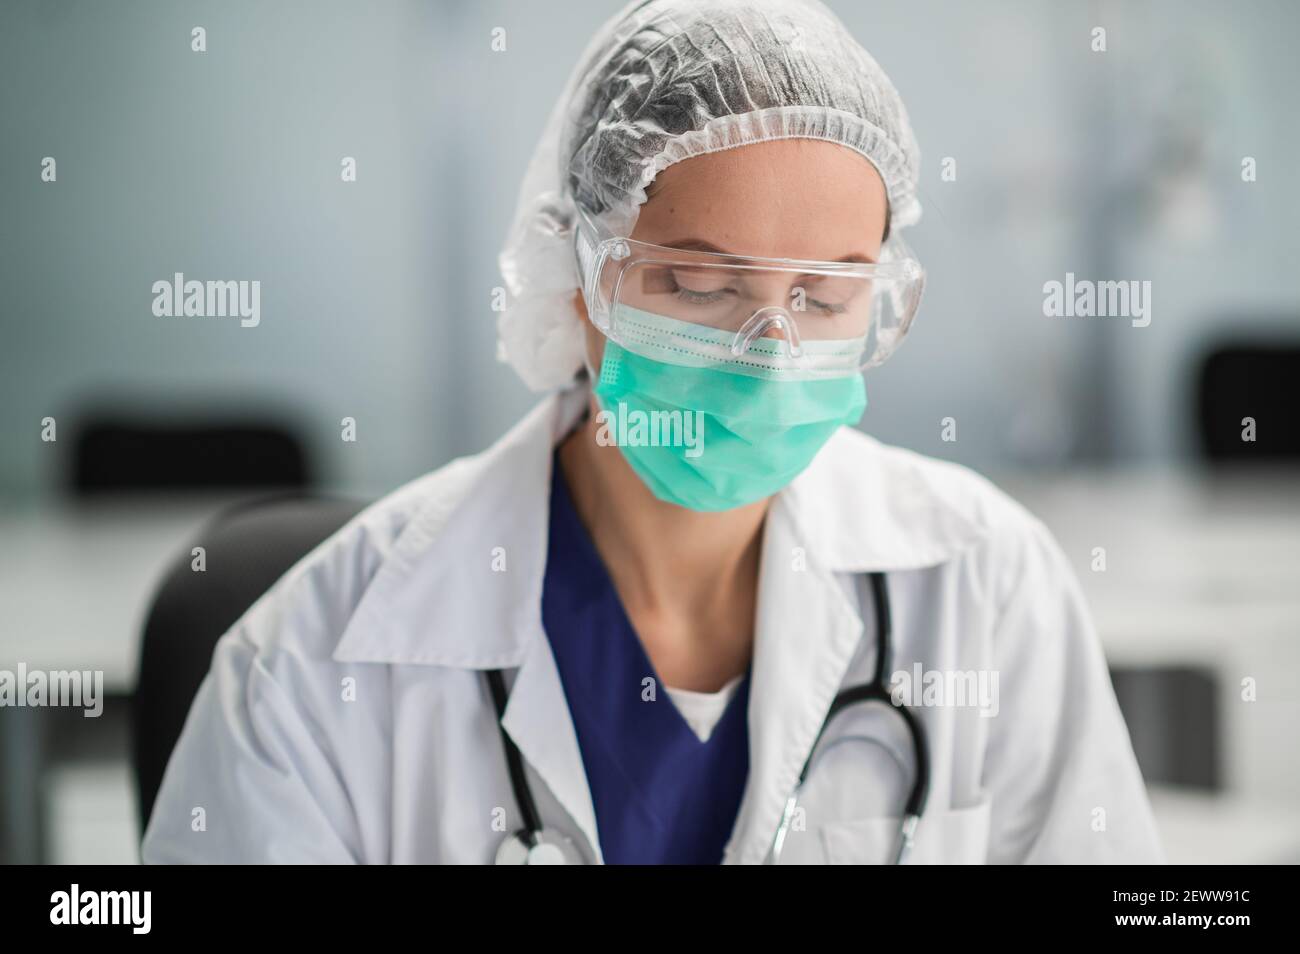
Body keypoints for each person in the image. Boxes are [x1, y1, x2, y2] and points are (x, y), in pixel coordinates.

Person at [143, 0, 1163, 864]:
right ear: (578, 277)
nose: (767, 353)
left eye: (824, 296)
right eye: (698, 284)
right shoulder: (307, 670)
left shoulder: (984, 588)